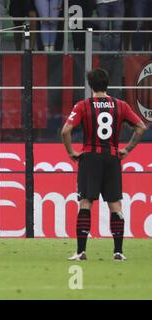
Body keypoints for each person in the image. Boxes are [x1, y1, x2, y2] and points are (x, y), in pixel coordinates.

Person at [61, 68, 146, 261]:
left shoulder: (83, 106)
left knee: (85, 203)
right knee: (115, 204)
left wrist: (71, 153)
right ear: (107, 84)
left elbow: (66, 131)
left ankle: (81, 251)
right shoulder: (121, 105)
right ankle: (118, 252)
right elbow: (140, 127)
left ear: (90, 85)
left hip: (90, 158)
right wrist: (127, 149)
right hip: (112, 158)